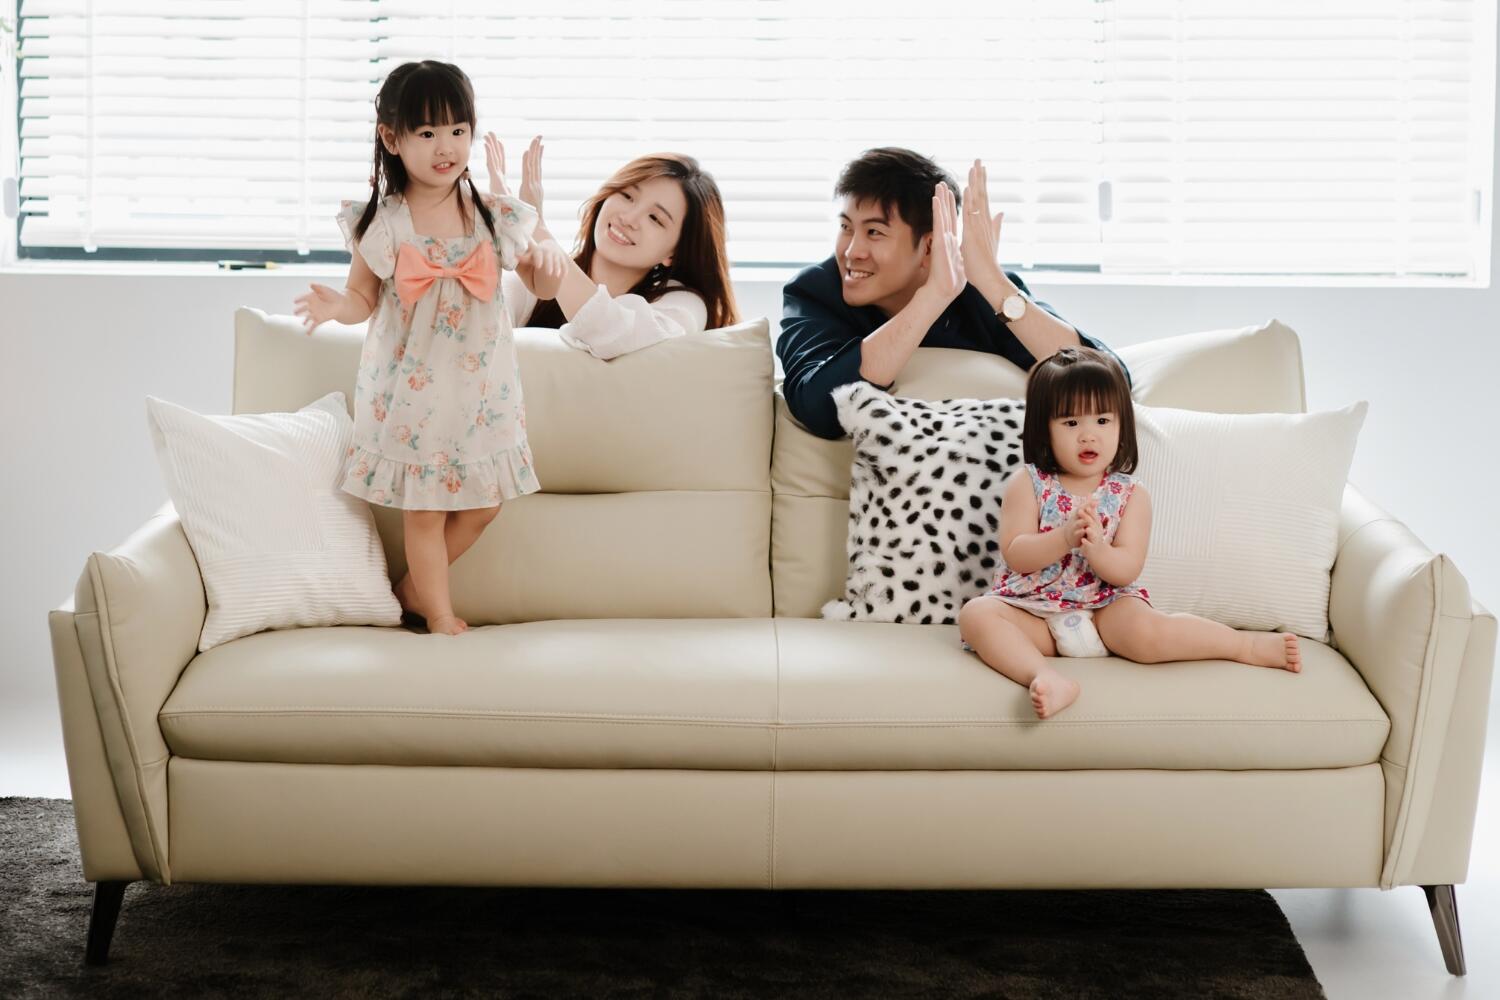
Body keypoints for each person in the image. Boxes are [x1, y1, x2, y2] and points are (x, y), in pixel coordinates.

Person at [293, 60, 567, 636]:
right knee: (425, 509)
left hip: (479, 391)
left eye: (457, 130)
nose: (446, 147)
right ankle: (436, 612)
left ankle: (413, 590)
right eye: (427, 132)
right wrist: (336, 306)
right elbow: (362, 298)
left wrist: (546, 262)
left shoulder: (493, 215)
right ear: (392, 139)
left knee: (485, 503)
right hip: (412, 392)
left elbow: (541, 287)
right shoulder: (384, 223)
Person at [957, 347, 1301, 720]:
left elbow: (1126, 570)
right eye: (1071, 423)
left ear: (1122, 426)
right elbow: (1016, 554)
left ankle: (1243, 646)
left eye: (1103, 420)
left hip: (1106, 612)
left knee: (1151, 631)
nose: (1088, 435)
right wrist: (1063, 538)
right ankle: (1044, 677)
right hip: (1035, 614)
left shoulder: (1131, 494)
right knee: (977, 615)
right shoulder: (1028, 483)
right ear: (1044, 429)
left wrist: (1098, 550)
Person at [778, 147, 1124, 440]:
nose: (852, 251)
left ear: (930, 246)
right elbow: (818, 410)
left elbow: (1109, 382)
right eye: (845, 227)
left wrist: (992, 281)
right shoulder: (816, 290)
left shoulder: (983, 292)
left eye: (874, 232)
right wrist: (932, 299)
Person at [484, 134, 738, 357]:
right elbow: (483, 327)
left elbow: (609, 335)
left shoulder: (684, 306)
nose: (629, 218)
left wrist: (537, 228)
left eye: (655, 218)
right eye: (627, 196)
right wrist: (509, 230)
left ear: (674, 253)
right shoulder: (532, 285)